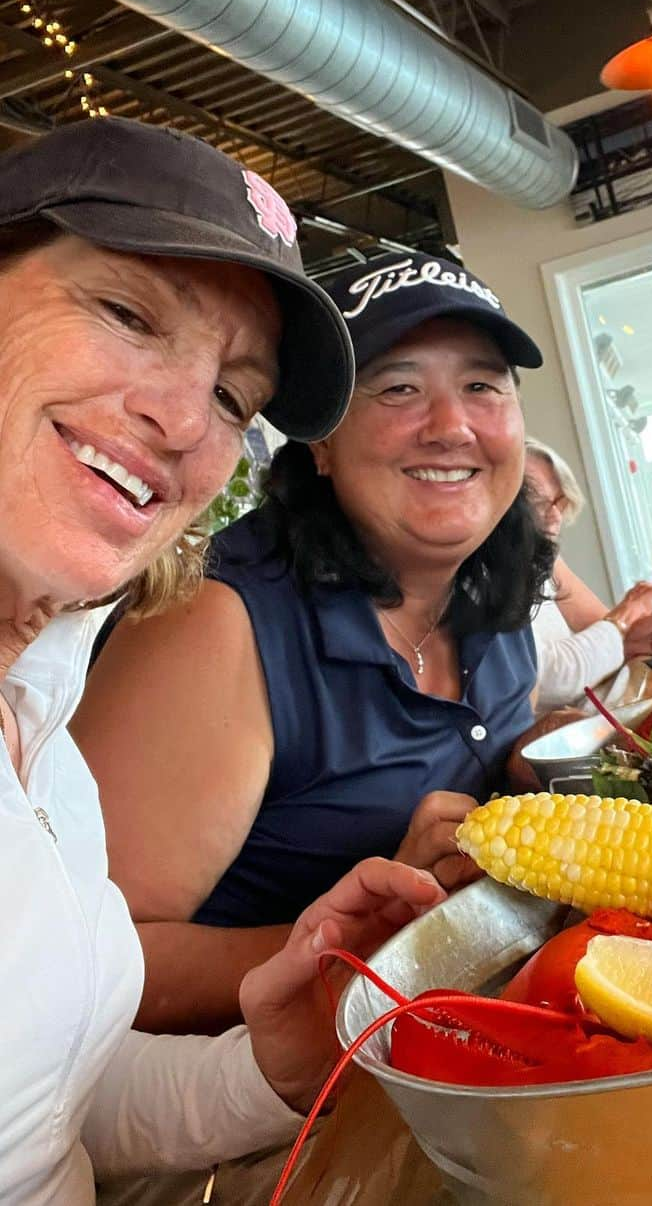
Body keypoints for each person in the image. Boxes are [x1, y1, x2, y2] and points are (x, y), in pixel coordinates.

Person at [0, 117, 446, 1205]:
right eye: (125, 313)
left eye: (234, 397)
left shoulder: (41, 711)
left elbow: (53, 1102)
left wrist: (271, 1062)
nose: (184, 421)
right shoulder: (224, 626)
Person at [73, 251, 559, 1038]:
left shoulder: (487, 587)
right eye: (400, 388)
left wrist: (538, 760)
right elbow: (94, 961)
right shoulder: (215, 622)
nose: (452, 426)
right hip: (247, 1113)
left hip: (466, 1027)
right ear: (321, 446)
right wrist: (368, 943)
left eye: (482, 385)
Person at [524, 438, 652, 713]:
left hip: (592, 717)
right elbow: (551, 678)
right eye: (538, 503)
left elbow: (609, 634)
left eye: (558, 503)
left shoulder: (545, 560)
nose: (555, 518)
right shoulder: (479, 572)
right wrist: (628, 613)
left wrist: (649, 626)